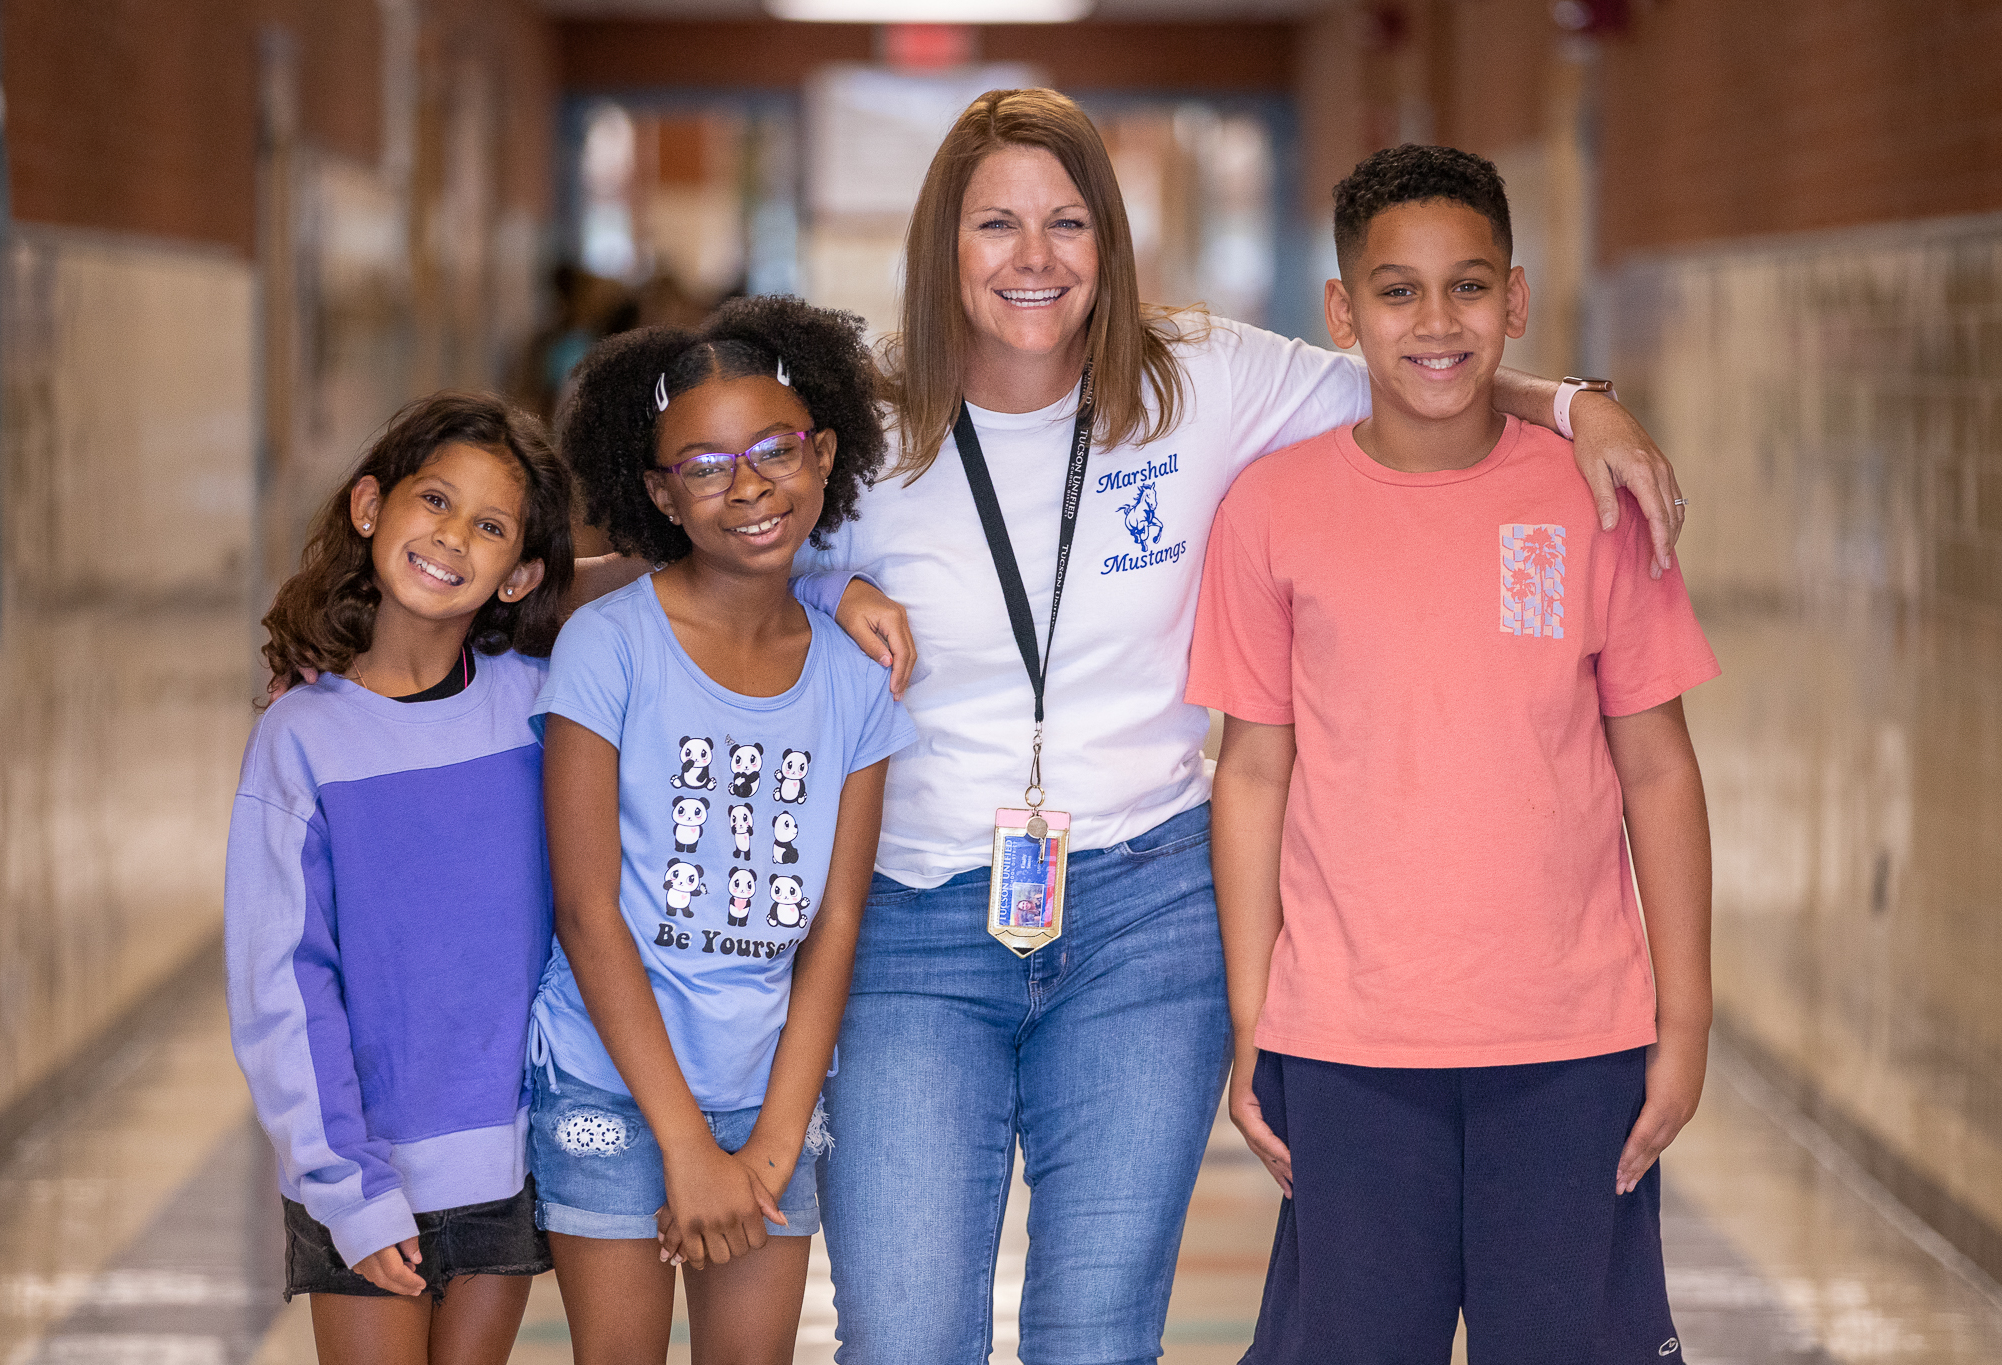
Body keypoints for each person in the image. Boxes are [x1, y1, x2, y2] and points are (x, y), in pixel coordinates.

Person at [793, 89, 1693, 1365]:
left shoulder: (1203, 379)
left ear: (1109, 238)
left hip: (1140, 926)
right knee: (900, 1340)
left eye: (1066, 222)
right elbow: (728, 556)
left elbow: (1421, 364)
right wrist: (838, 586)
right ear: (941, 243)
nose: (1034, 258)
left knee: (1097, 1339)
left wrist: (1577, 405)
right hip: (912, 915)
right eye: (995, 224)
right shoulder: (869, 432)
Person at [1189, 144, 1718, 1363]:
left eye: (1468, 287)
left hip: (1571, 1041)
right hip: (1347, 1042)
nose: (1435, 322)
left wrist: (1679, 1025)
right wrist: (1252, 1015)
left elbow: (1657, 771)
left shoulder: (1592, 494)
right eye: (1395, 290)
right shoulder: (1269, 512)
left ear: (1516, 300)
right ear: (1340, 313)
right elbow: (1253, 773)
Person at [529, 295, 915, 1364]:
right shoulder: (607, 649)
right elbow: (584, 909)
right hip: (610, 1083)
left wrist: (774, 1143)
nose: (746, 486)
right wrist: (686, 1150)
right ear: (658, 492)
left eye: (773, 450)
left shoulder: (856, 679)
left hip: (765, 1098)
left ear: (824, 451)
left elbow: (836, 923)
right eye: (702, 466)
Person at [224, 393, 576, 1365]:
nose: (452, 536)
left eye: (490, 526)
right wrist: (346, 1186)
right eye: (434, 500)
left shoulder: (541, 710)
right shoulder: (299, 739)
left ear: (520, 575)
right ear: (368, 505)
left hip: (504, 1167)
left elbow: (691, 594)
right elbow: (281, 983)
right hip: (363, 1169)